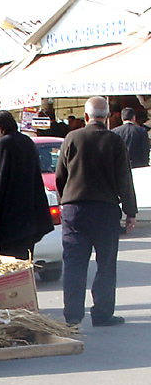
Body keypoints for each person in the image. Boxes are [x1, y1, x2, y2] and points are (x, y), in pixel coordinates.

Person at [55, 95, 137, 327]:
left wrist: (64, 201)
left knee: (74, 264)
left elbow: (60, 175)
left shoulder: (71, 137)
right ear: (108, 116)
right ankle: (102, 314)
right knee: (106, 263)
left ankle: (72, 316)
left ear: (86, 116)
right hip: (105, 210)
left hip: (75, 210)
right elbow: (124, 178)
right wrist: (130, 211)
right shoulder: (114, 140)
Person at [0, 110, 53, 259]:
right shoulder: (26, 141)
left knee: (11, 263)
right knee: (26, 260)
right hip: (30, 216)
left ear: (1, 126)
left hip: (12, 219)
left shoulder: (3, 144)